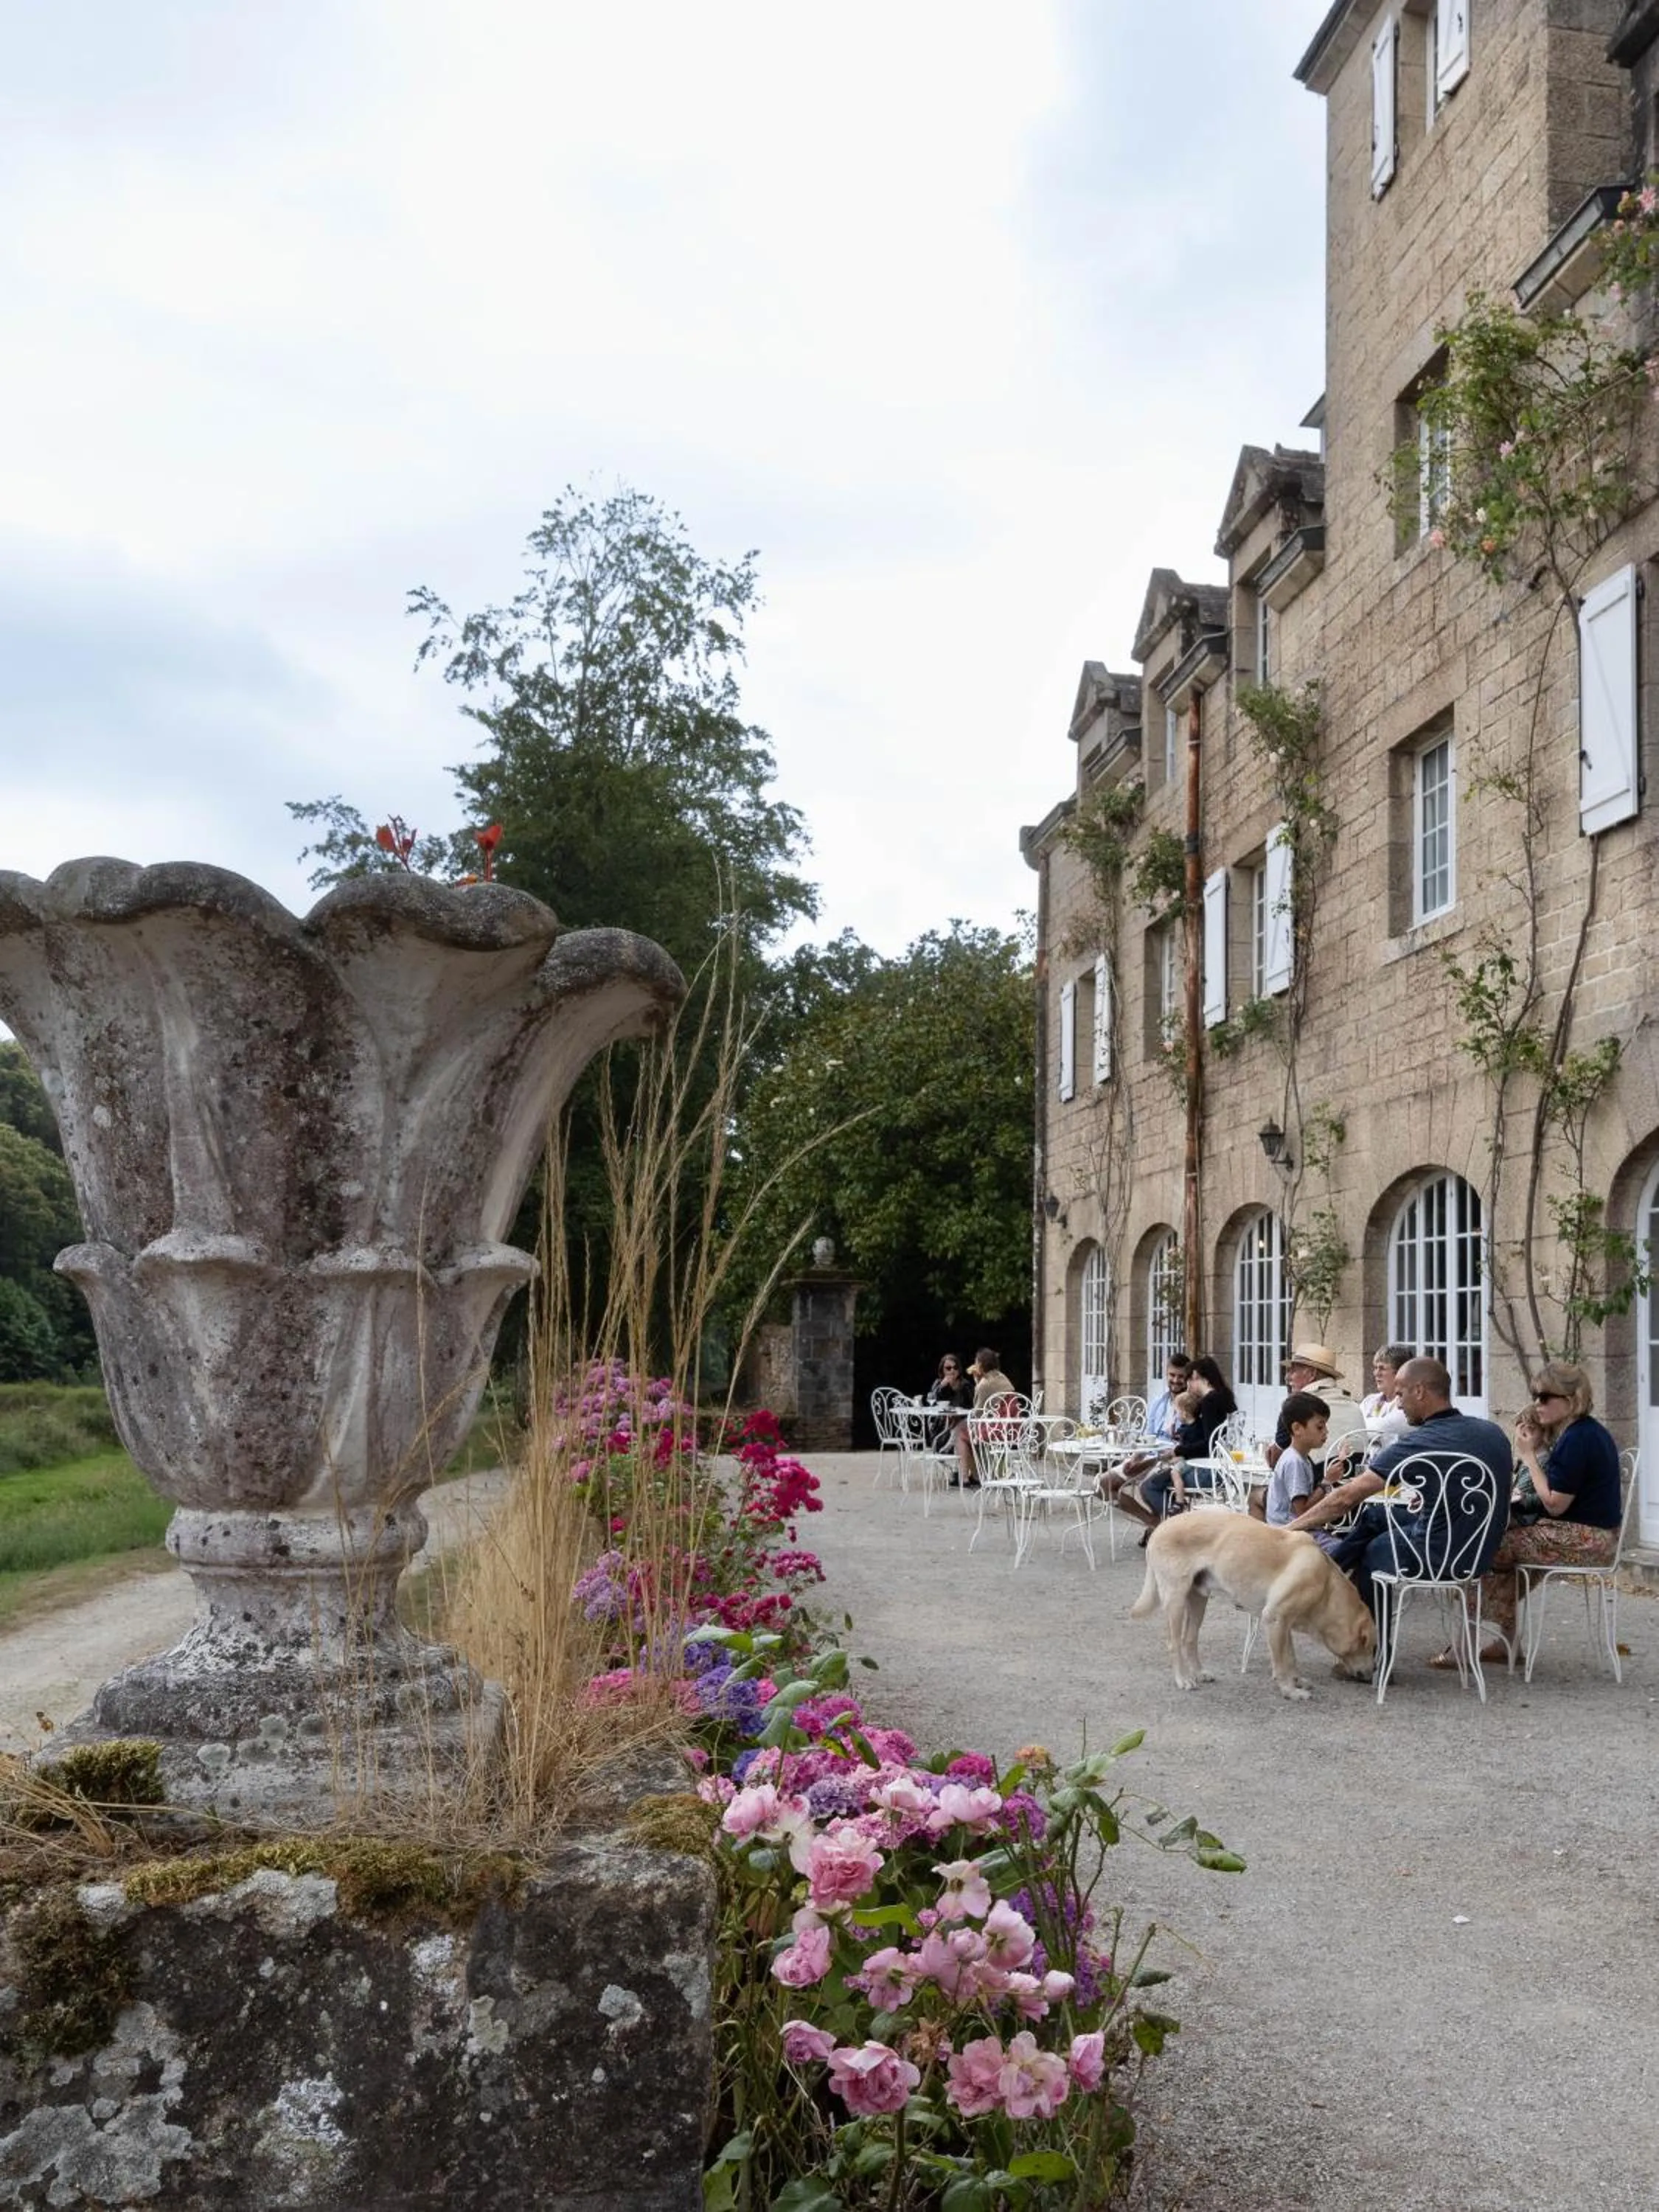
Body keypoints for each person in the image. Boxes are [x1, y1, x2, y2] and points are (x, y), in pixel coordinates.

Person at [1290, 1356, 1511, 1627]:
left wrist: (1290, 1528)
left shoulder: (1423, 1441)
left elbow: (1346, 1498)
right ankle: (1327, 1576)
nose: (1398, 1403)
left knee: (1373, 1552)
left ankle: (1374, 1655)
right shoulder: (1493, 1432)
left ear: (1419, 1391)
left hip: (1438, 1554)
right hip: (1481, 1552)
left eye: (1401, 1394)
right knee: (1375, 1516)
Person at [1468, 1361, 1623, 1663]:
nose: (1537, 1404)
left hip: (1588, 1539)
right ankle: (1503, 1644)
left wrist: (1527, 1457)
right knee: (1501, 1547)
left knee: (1485, 1547)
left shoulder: (1578, 1438)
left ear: (1571, 1399)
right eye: (1535, 1396)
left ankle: (1472, 1639)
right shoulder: (1582, 1433)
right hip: (1589, 1535)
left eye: (1544, 1397)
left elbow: (1555, 1503)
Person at [1119, 1355, 1238, 1531]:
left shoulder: (1209, 1402)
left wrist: (1178, 1451)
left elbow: (1209, 1445)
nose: (1188, 1386)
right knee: (1160, 1479)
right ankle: (1171, 1524)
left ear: (1196, 1376)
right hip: (1222, 1466)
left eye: (1189, 1379)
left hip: (1207, 1470)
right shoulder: (1224, 1397)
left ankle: (1175, 1528)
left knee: (1150, 1487)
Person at [1264, 1345, 1366, 1473]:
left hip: (1312, 1486)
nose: (1287, 1377)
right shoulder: (1353, 1405)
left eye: (1293, 1371)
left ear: (1312, 1374)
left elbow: (1275, 1461)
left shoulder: (1297, 1405)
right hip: (1354, 1485)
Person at [955, 1346, 1017, 1489]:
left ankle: (965, 1477)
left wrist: (977, 1382)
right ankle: (977, 1474)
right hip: (1013, 1426)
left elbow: (978, 1414)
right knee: (968, 1431)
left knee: (961, 1433)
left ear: (981, 1365)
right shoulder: (1002, 1378)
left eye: (976, 1362)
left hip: (997, 1429)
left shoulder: (985, 1384)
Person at [1265, 1392, 1328, 1526]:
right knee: (1339, 1547)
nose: (1326, 1432)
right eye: (1320, 1427)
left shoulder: (1300, 1458)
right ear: (1297, 1428)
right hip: (1289, 1532)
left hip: (1290, 1528)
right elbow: (1302, 1512)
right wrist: (1327, 1483)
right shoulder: (1294, 1462)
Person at [1361, 1343, 1415, 1446]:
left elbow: (1381, 1428)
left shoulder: (1408, 1403)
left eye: (1382, 1368)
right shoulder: (1369, 1401)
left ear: (1399, 1373)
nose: (1376, 1373)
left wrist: (1359, 1426)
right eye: (1375, 1368)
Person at [1144, 1352, 1194, 1442]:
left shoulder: (1193, 1406)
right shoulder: (1157, 1402)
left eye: (1181, 1377)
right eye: (1172, 1375)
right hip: (1154, 1453)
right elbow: (1148, 1437)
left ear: (1188, 1378)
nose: (1175, 1380)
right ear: (1166, 1375)